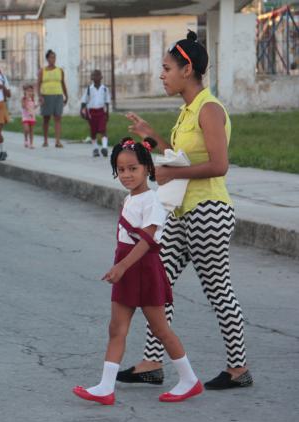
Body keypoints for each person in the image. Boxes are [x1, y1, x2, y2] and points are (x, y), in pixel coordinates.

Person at [120, 31, 252, 390]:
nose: (162, 75)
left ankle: (238, 369)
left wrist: (170, 172)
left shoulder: (209, 109)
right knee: (156, 282)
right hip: (181, 212)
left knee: (217, 289)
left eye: (166, 68)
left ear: (187, 68)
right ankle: (152, 362)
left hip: (209, 211)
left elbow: (218, 165)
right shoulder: (188, 111)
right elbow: (180, 157)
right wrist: (152, 137)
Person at [73, 137, 203, 406]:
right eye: (121, 170)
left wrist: (121, 266)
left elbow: (148, 240)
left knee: (160, 329)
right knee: (116, 328)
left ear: (147, 168)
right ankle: (105, 387)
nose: (126, 175)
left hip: (142, 268)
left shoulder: (153, 200)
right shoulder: (130, 199)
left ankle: (189, 379)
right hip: (127, 268)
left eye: (133, 168)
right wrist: (120, 266)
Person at [37, 50, 68, 148]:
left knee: (58, 117)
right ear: (47, 59)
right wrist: (40, 96)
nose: (52, 59)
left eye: (54, 57)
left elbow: (63, 83)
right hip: (46, 96)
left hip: (58, 95)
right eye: (50, 57)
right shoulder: (42, 71)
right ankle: (45, 140)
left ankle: (57, 141)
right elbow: (38, 84)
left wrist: (66, 95)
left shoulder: (60, 70)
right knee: (46, 118)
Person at [80, 69, 111, 157]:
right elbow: (84, 101)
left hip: (101, 112)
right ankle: (95, 148)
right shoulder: (89, 89)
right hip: (91, 113)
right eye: (94, 75)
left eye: (97, 75)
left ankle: (104, 147)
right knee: (93, 131)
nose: (96, 77)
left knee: (103, 130)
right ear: (91, 77)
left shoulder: (105, 89)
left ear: (101, 77)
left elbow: (107, 102)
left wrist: (107, 113)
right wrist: (81, 111)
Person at [21, 84, 38, 149]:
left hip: (32, 117)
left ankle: (31, 143)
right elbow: (23, 106)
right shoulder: (24, 99)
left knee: (31, 130)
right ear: (25, 92)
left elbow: (33, 107)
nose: (30, 92)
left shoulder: (33, 99)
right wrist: (26, 99)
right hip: (25, 117)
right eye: (28, 91)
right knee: (26, 129)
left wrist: (38, 104)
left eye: (31, 91)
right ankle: (26, 139)